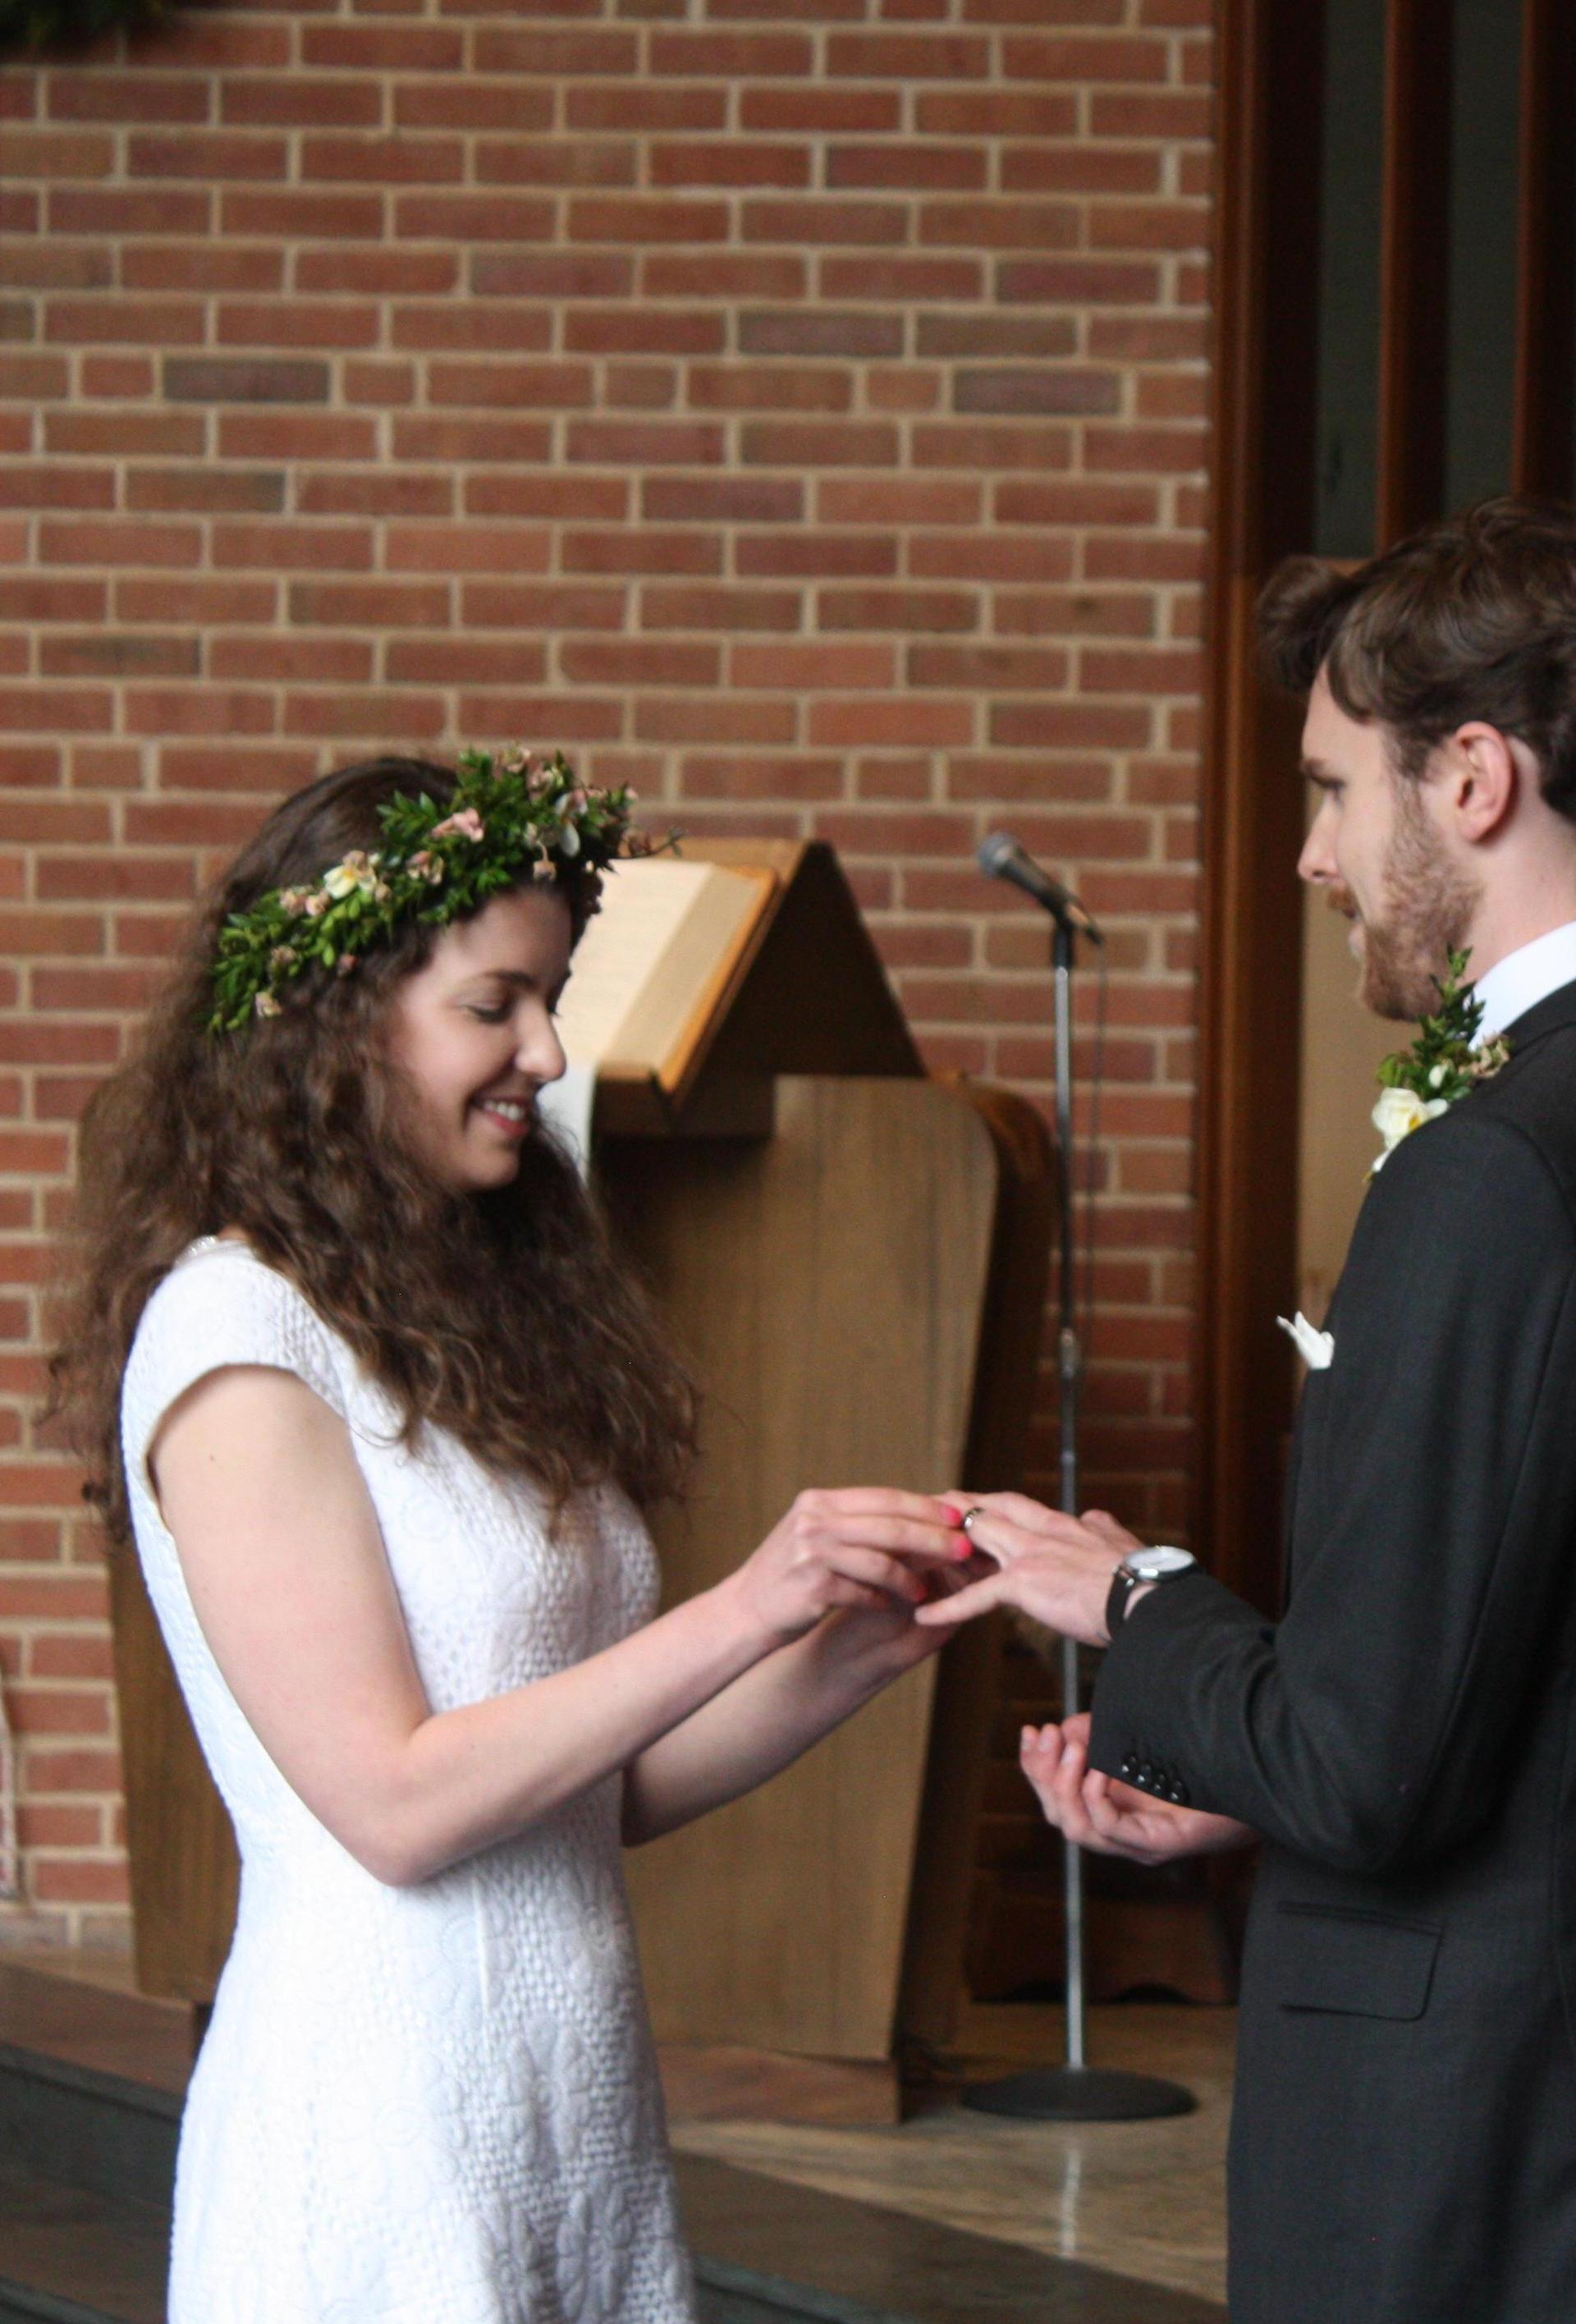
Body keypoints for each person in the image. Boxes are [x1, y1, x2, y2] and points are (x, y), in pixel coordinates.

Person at [921, 499, 1576, 2324]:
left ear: (1472, 780)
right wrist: (1238, 1782)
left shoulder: (1493, 1169)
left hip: (1484, 2145)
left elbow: (1371, 1764)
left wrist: (1134, 1599)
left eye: (1331, 790)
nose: (1313, 855)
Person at [49, 751, 975, 2320]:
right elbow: (398, 1805)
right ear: (336, 1024)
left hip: (564, 2102)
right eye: (497, 1005)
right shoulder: (236, 1335)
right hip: (379, 2119)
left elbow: (585, 1796)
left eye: (553, 999)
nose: (548, 1052)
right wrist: (751, 1600)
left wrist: (848, 1650)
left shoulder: (459, 1313)